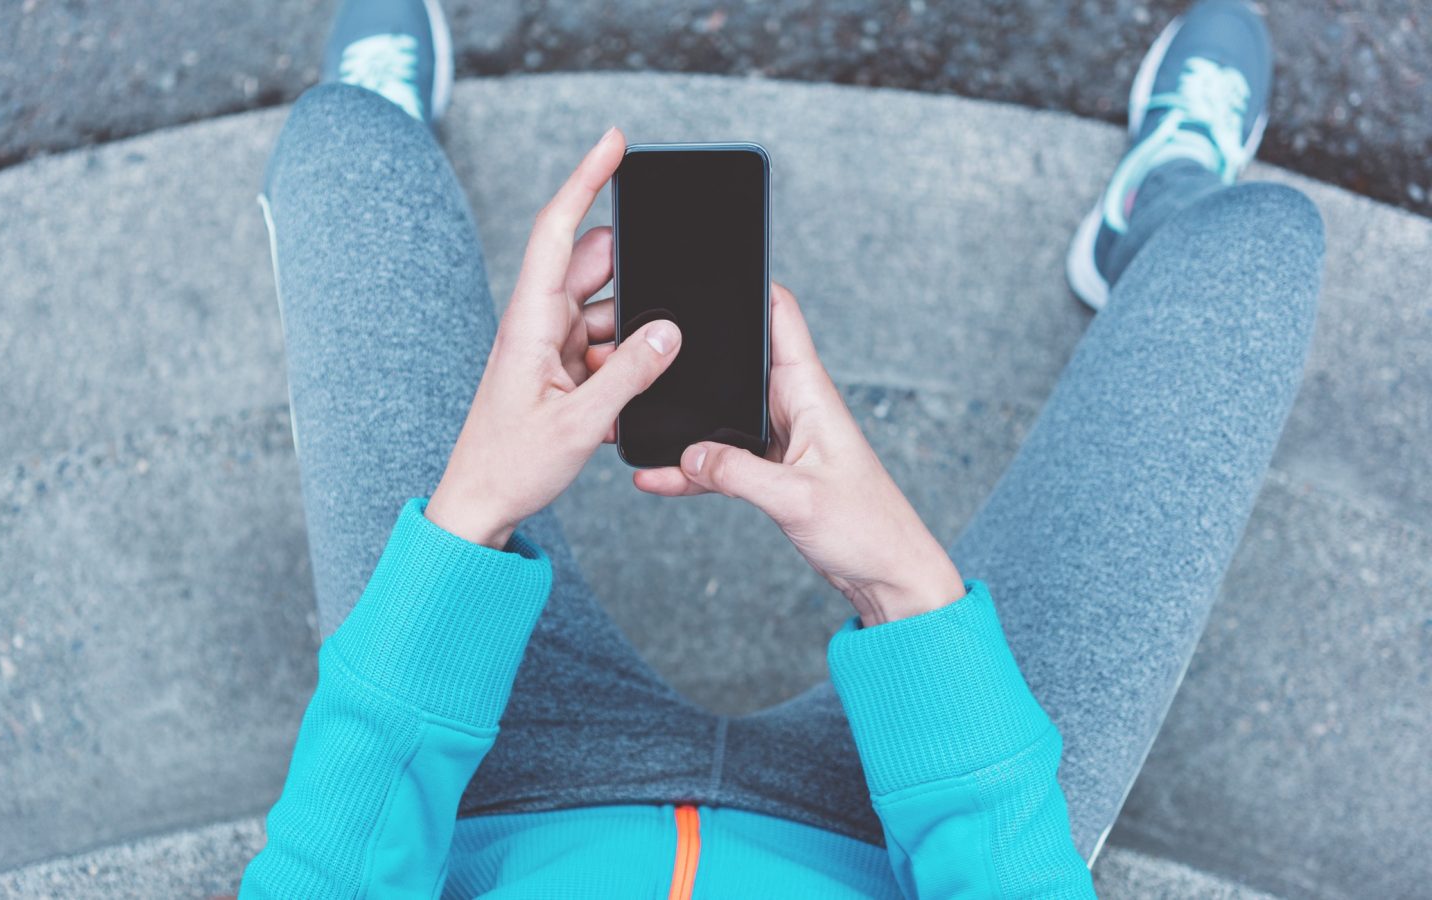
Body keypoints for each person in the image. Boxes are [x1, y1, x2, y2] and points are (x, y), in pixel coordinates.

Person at [240, 0, 1322, 895]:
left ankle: (392, 125)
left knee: (348, 148)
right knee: (1252, 253)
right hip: (881, 841)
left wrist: (468, 516)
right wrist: (910, 597)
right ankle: (1162, 203)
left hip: (503, 799)